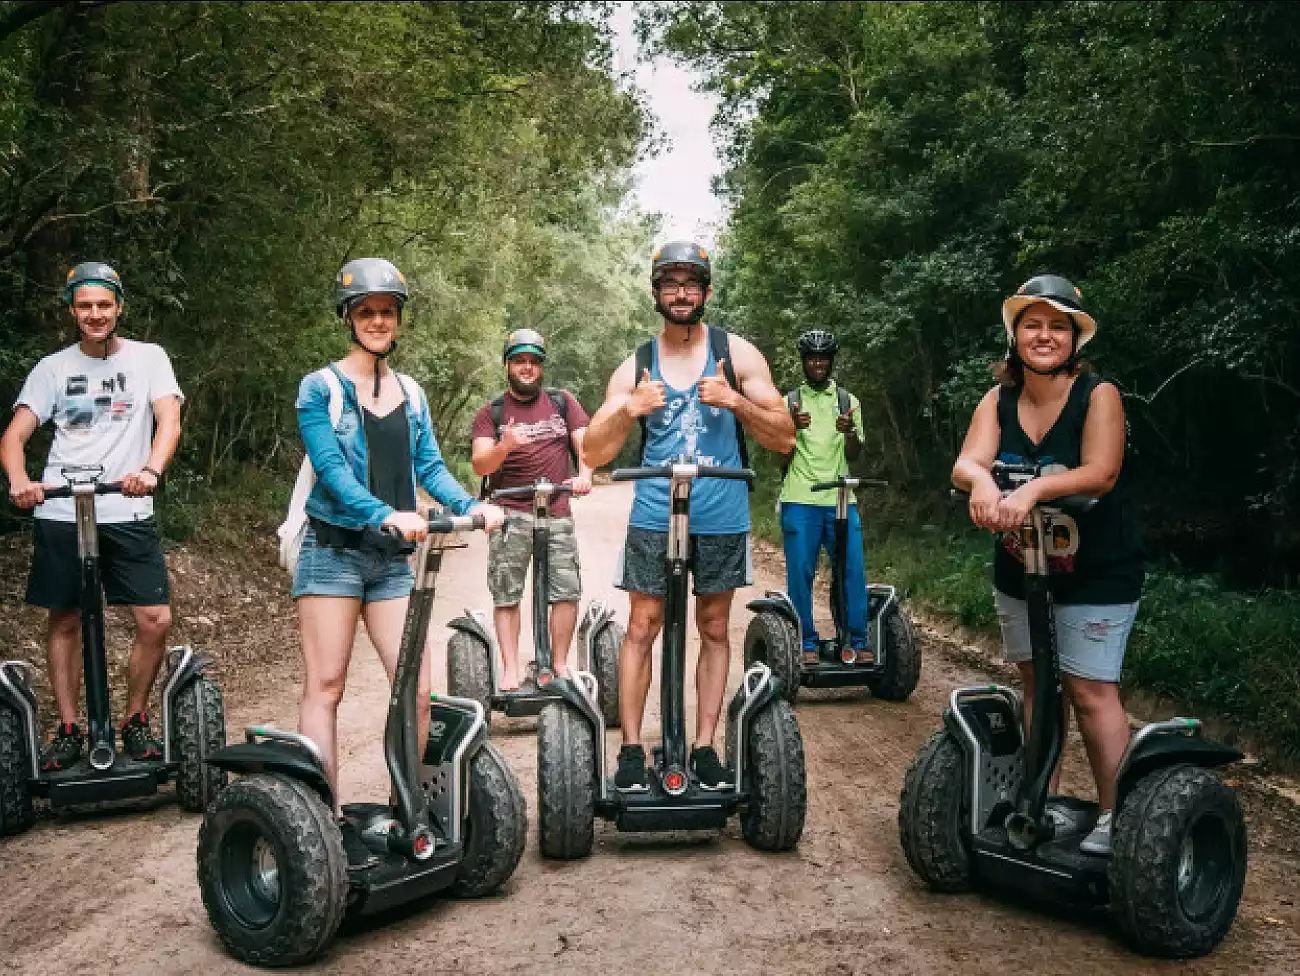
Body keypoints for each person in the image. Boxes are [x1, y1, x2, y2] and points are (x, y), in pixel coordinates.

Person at [293, 257, 504, 819]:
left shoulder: (411, 392)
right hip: (333, 551)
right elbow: (332, 471)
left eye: (388, 312)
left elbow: (429, 467)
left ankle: (407, 811)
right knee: (328, 686)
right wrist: (386, 512)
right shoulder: (320, 388)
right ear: (348, 317)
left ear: (398, 319)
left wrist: (469, 505)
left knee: (415, 690)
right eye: (367, 311)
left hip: (391, 560)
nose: (379, 321)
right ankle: (321, 821)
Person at [582, 241, 795, 791]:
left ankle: (705, 746)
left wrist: (735, 402)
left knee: (716, 626)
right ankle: (631, 749)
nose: (681, 293)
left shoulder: (738, 354)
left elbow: (784, 436)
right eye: (671, 283)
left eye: (691, 283)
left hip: (721, 513)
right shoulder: (637, 363)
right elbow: (595, 453)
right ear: (657, 292)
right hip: (655, 513)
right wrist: (630, 410)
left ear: (706, 291)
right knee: (641, 626)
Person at [951, 273, 1144, 856]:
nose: (1044, 336)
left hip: (1096, 571)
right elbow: (966, 462)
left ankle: (1118, 816)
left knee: (1090, 689)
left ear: (1075, 339)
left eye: (1057, 326)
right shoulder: (999, 399)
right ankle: (1044, 802)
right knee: (1037, 684)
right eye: (1032, 325)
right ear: (1015, 335)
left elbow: (1101, 472)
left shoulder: (1097, 394)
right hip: (1022, 568)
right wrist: (983, 482)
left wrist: (1033, 490)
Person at [1, 262, 182, 769]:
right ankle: (68, 728)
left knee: (154, 618)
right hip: (62, 508)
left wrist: (150, 469)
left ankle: (136, 720)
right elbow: (14, 436)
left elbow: (168, 419)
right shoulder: (52, 368)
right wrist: (20, 482)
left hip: (127, 506)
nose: (95, 314)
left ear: (119, 307)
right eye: (85, 306)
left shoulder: (150, 359)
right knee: (66, 619)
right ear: (73, 310)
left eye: (104, 304)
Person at [471, 329, 593, 688]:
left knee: (566, 589)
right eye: (520, 360)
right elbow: (481, 465)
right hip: (510, 511)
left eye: (534, 361)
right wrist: (504, 446)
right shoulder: (490, 412)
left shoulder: (562, 402)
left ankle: (558, 664)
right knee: (507, 592)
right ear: (508, 365)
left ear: (541, 367)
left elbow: (586, 446)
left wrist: (584, 474)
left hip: (556, 510)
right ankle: (510, 668)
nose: (527, 367)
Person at [778, 329, 869, 665]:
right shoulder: (788, 402)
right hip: (800, 499)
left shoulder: (848, 401)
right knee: (800, 573)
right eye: (812, 358)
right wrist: (790, 429)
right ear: (804, 362)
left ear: (831, 361)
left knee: (852, 571)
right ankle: (805, 644)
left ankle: (857, 641)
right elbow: (780, 458)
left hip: (841, 499)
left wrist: (849, 433)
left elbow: (856, 453)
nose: (818, 363)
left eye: (823, 358)